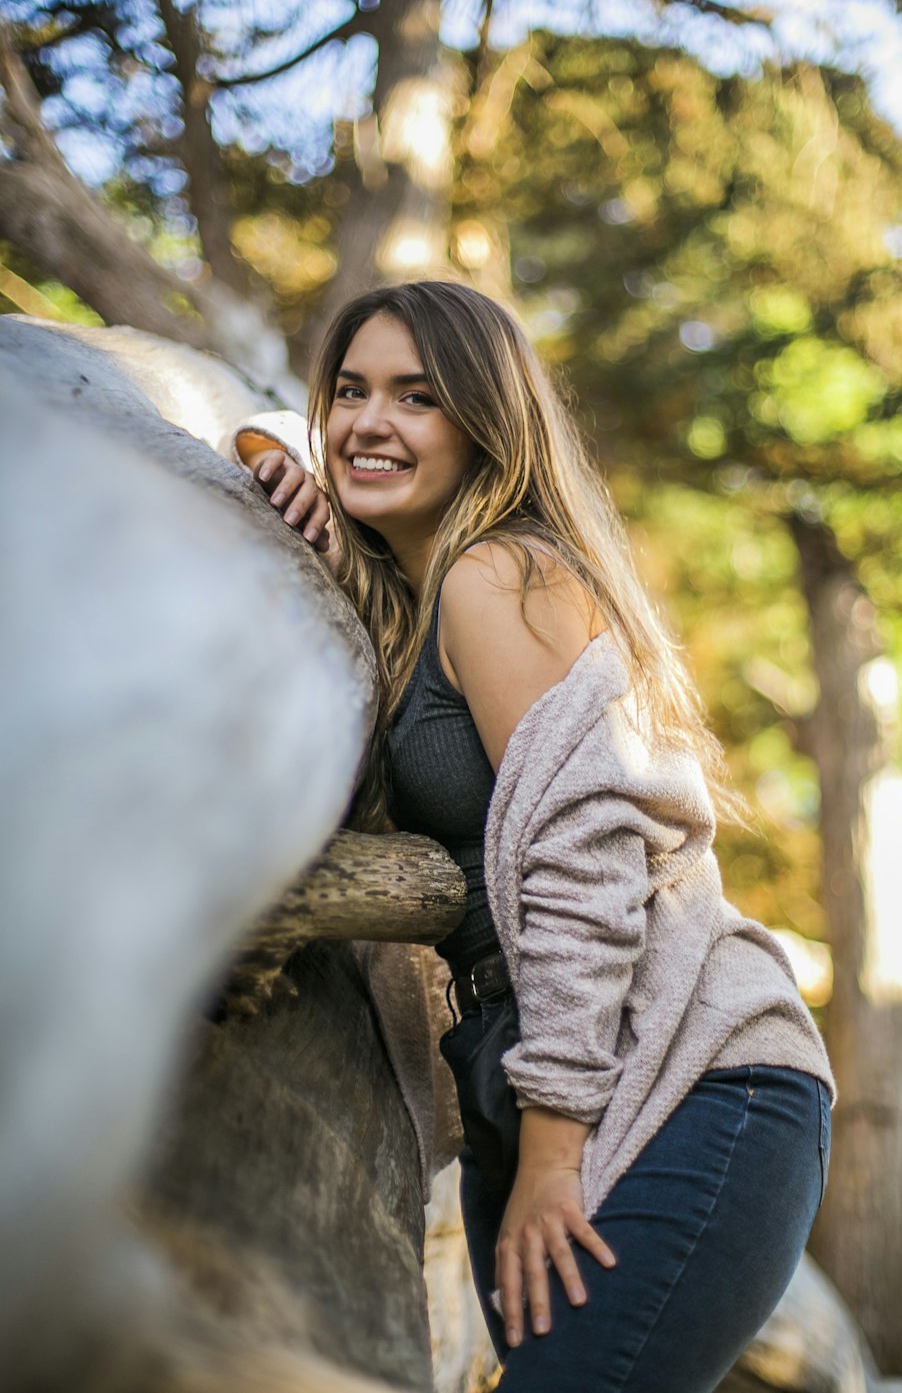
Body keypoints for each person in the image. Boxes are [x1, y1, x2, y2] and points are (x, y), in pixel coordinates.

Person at [234, 280, 834, 1393]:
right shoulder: (413, 601)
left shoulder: (497, 573)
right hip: (533, 1078)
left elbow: (583, 860)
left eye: (418, 398)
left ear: (485, 425)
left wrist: (552, 1157)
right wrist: (268, 453)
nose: (369, 421)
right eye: (350, 392)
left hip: (690, 1079)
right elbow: (255, 425)